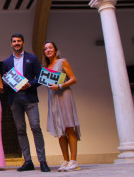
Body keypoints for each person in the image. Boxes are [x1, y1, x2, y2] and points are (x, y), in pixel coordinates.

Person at [2, 34, 50, 172]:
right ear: (11, 44)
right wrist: (5, 81)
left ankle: (42, 161)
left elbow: (40, 77)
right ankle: (27, 161)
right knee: (21, 130)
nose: (16, 43)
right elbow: (5, 82)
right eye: (14, 41)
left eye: (19, 41)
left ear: (23, 42)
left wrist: (29, 84)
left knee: (36, 127)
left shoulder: (32, 58)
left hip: (29, 98)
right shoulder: (6, 62)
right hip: (15, 99)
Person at [43, 42, 80, 171]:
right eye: (46, 49)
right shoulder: (47, 67)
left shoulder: (62, 62)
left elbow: (73, 79)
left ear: (55, 50)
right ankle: (65, 159)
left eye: (50, 48)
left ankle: (74, 160)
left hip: (64, 95)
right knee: (59, 130)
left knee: (69, 126)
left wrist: (59, 85)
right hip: (53, 98)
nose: (48, 50)